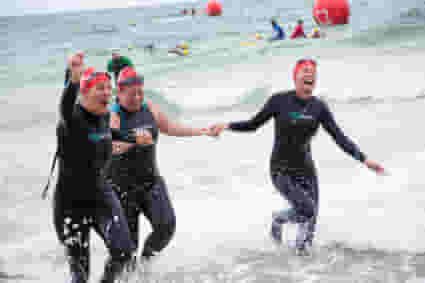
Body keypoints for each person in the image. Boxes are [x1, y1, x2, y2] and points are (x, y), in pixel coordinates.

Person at [210, 58, 386, 255]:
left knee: (309, 228)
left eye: (313, 72)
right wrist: (226, 126)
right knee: (307, 210)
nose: (310, 73)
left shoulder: (319, 108)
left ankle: (300, 265)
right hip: (281, 170)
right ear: (295, 77)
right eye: (305, 70)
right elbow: (253, 125)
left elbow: (339, 137)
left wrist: (364, 159)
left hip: (306, 170)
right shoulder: (279, 101)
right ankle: (279, 219)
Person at [105, 67, 214, 262]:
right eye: (132, 94)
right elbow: (110, 146)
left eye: (140, 92)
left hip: (150, 183)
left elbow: (170, 127)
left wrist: (202, 131)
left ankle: (145, 264)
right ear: (119, 93)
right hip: (122, 190)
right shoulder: (113, 115)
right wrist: (134, 142)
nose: (138, 98)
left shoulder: (149, 108)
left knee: (166, 227)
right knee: (127, 251)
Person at [52, 53, 136, 283]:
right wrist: (74, 79)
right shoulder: (72, 117)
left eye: (109, 89)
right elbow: (65, 106)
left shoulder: (105, 115)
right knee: (80, 274)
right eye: (100, 88)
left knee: (124, 253)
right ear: (85, 92)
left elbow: (109, 134)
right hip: (70, 203)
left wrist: (134, 137)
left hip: (101, 196)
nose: (107, 93)